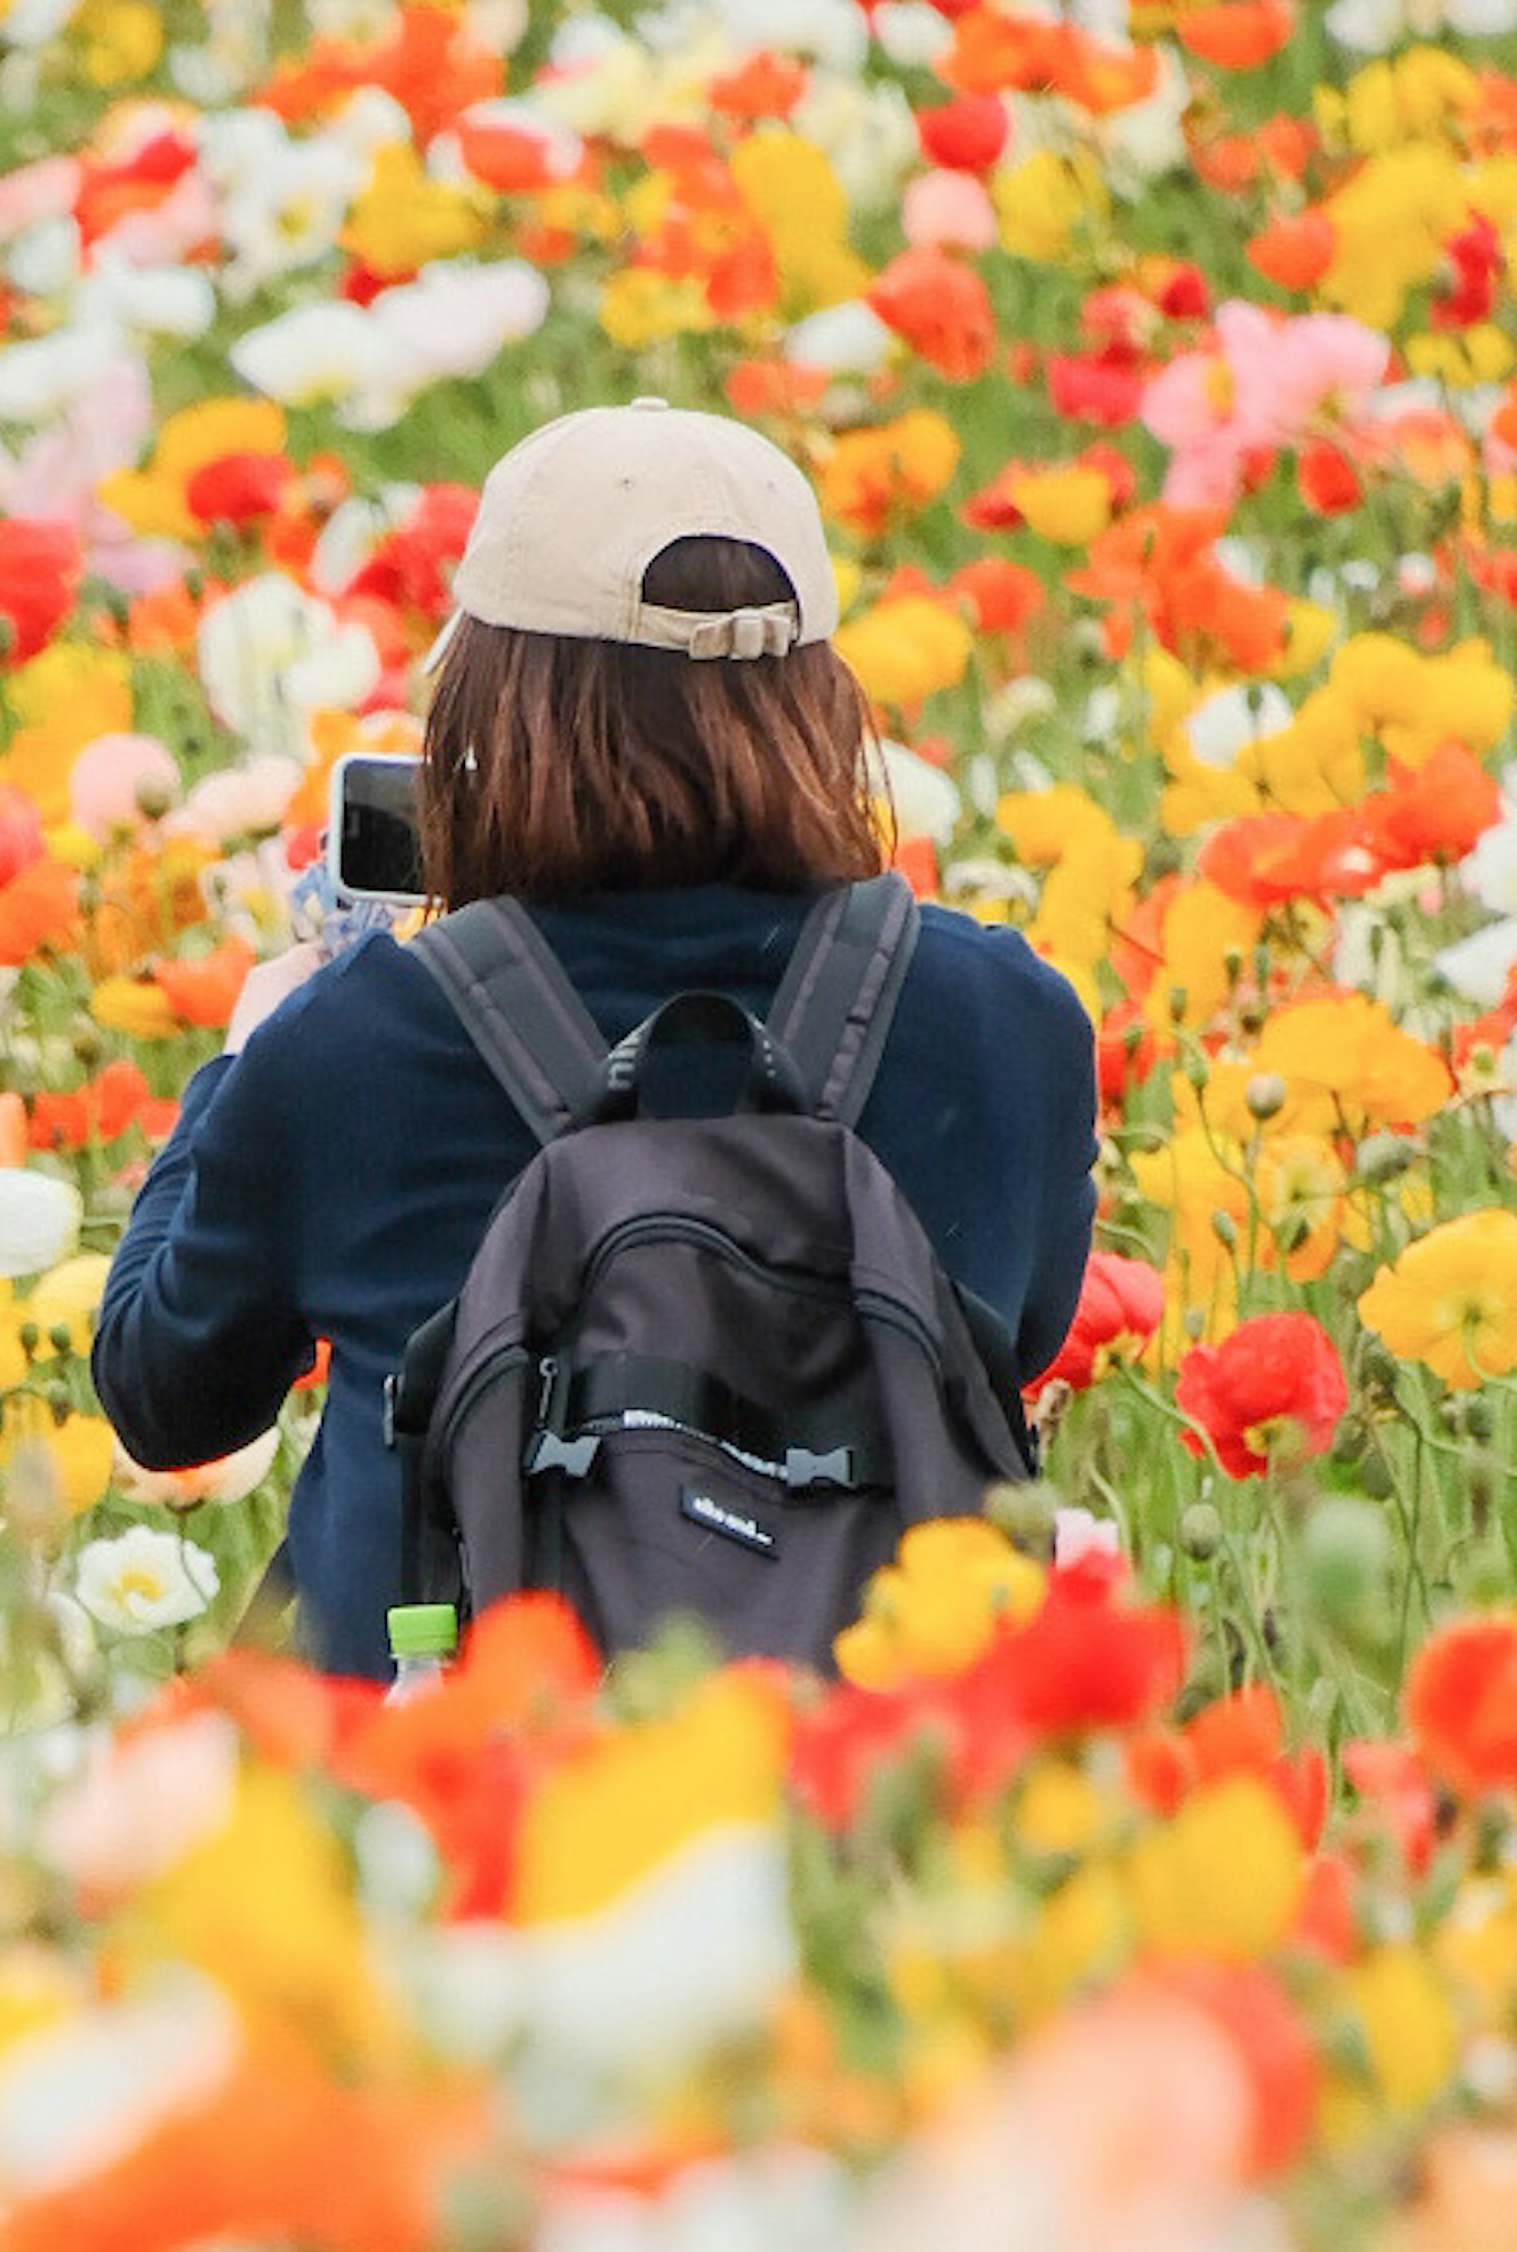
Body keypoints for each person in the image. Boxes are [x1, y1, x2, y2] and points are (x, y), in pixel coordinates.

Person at [90, 402, 1098, 1679]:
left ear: (493, 702)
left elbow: (165, 1393)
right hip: (876, 1812)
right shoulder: (1001, 1020)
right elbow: (1024, 1333)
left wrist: (243, 1060)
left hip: (445, 1816)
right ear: (822, 701)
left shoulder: (357, 1050)